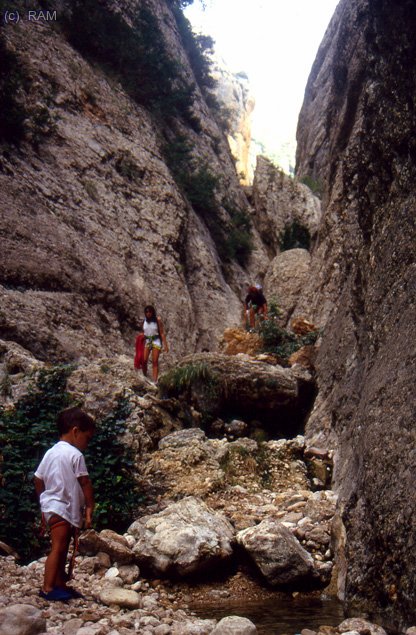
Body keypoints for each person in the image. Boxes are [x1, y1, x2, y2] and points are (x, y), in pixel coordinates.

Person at [34, 407, 95, 602]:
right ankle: (48, 587)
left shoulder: (50, 452)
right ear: (75, 431)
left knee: (63, 544)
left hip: (52, 506)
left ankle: (59, 582)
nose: (87, 443)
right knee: (59, 546)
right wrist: (89, 508)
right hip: (62, 507)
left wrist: (44, 499)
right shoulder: (75, 455)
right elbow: (85, 483)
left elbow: (38, 478)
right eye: (87, 438)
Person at [142, 305, 169, 382]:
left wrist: (165, 345)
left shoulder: (157, 320)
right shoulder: (144, 321)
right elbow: (144, 332)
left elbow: (162, 333)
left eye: (150, 311)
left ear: (152, 312)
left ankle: (154, 381)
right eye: (146, 312)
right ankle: (144, 376)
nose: (148, 313)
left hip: (156, 341)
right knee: (144, 360)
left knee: (155, 361)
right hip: (148, 341)